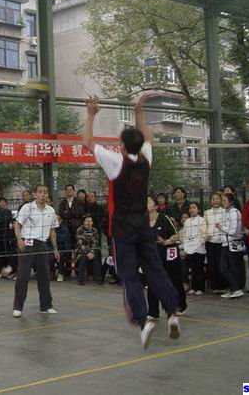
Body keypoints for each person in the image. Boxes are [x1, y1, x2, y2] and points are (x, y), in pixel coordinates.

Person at [84, 95, 180, 350]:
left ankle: (143, 321)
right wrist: (139, 112)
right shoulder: (146, 158)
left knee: (129, 275)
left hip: (123, 228)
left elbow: (88, 143)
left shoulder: (116, 162)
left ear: (123, 146)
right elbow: (147, 138)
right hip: (143, 225)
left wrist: (91, 114)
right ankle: (172, 311)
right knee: (155, 270)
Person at [12, 184, 59, 318]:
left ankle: (46, 306)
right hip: (27, 244)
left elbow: (52, 231)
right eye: (40, 192)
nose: (43, 195)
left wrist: (55, 248)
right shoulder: (27, 207)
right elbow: (17, 224)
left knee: (44, 276)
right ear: (35, 194)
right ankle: (18, 307)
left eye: (45, 192)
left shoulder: (51, 210)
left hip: (42, 245)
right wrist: (19, 239)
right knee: (23, 276)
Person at [146, 196, 186, 319]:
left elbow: (176, 236)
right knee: (152, 282)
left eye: (148, 202)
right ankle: (153, 312)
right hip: (153, 257)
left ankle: (180, 305)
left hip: (169, 254)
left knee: (174, 281)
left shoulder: (164, 219)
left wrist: (166, 241)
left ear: (155, 206)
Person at [217, 193, 246, 299]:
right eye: (222, 200)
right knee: (226, 267)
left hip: (233, 243)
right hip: (226, 243)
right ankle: (234, 288)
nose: (223, 202)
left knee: (231, 267)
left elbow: (233, 231)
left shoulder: (234, 212)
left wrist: (221, 227)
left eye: (224, 200)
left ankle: (237, 288)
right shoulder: (226, 212)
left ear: (231, 202)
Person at [180, 202, 207, 295]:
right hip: (189, 249)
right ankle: (193, 287)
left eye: (194, 207)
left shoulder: (202, 220)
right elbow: (185, 235)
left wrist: (199, 244)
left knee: (199, 269)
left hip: (199, 248)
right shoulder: (187, 221)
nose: (192, 209)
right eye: (190, 208)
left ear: (198, 209)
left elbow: (204, 234)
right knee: (192, 269)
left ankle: (200, 288)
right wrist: (186, 247)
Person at [204, 192, 228, 294]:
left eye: (217, 199)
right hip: (210, 241)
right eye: (213, 199)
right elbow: (204, 226)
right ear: (210, 201)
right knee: (211, 264)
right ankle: (214, 286)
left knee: (221, 264)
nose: (215, 201)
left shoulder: (224, 211)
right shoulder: (207, 212)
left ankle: (223, 285)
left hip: (221, 241)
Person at [75, 215, 102, 285]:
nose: (88, 223)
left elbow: (95, 242)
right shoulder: (79, 230)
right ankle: (81, 280)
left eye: (90, 221)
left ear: (92, 222)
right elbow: (80, 243)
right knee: (84, 257)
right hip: (81, 250)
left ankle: (99, 279)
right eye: (87, 221)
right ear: (83, 222)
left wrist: (91, 252)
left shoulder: (95, 230)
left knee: (96, 257)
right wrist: (87, 252)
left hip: (92, 250)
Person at [0, 197, 14, 278]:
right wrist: (2, 221)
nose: (2, 203)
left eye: (4, 202)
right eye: (0, 202)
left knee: (7, 254)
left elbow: (9, 220)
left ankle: (7, 272)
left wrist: (0, 221)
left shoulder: (8, 212)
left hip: (6, 236)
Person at [54, 214, 71, 282]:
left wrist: (54, 238)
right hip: (52, 249)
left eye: (57, 220)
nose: (55, 222)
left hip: (63, 249)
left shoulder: (64, 229)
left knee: (60, 255)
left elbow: (64, 242)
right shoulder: (49, 228)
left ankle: (60, 273)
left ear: (60, 221)